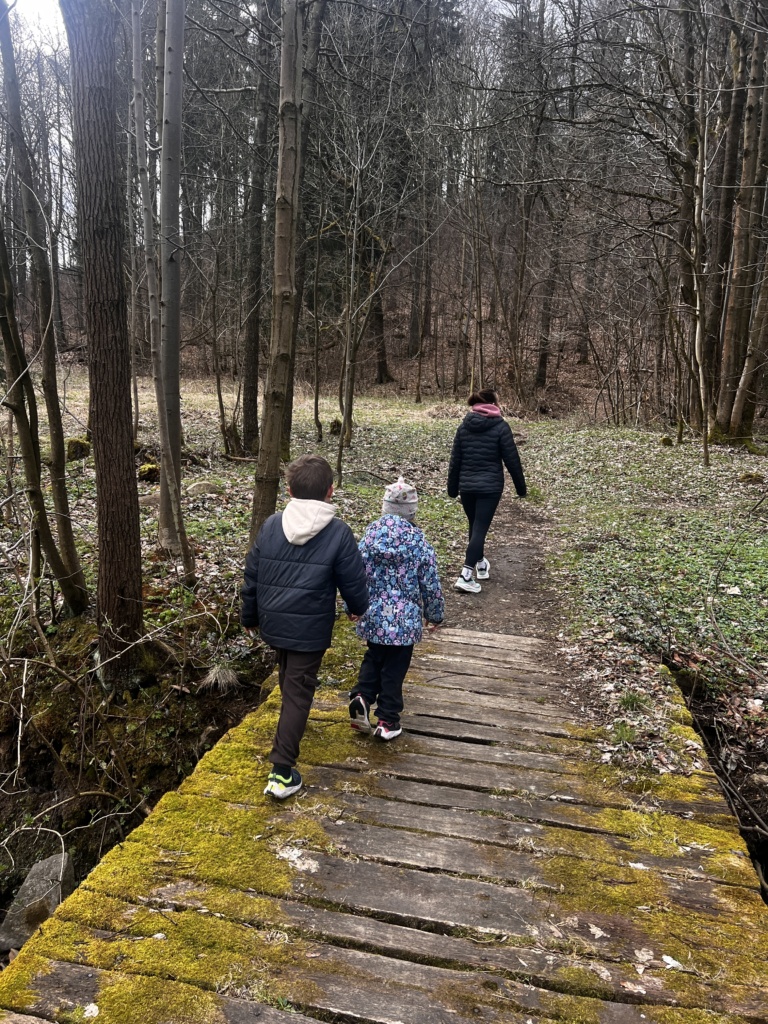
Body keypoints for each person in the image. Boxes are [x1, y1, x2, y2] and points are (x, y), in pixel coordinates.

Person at [241, 454, 369, 799]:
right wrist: (359, 608)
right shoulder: (339, 532)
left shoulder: (271, 525)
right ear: (330, 491)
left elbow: (252, 575)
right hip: (309, 626)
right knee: (298, 691)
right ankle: (282, 772)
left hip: (272, 617)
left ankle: (290, 726)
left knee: (290, 676)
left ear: (288, 489)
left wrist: (249, 615)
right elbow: (353, 579)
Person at [348, 477, 445, 741]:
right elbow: (430, 581)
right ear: (412, 511)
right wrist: (434, 614)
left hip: (374, 614)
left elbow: (354, 574)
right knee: (395, 667)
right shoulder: (418, 541)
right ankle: (388, 720)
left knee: (374, 656)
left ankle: (362, 696)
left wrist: (352, 606)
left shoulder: (368, 537)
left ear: (384, 508)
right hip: (405, 619)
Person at [447, 387, 526, 594]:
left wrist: (453, 488)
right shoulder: (501, 427)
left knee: (475, 526)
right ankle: (465, 575)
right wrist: (521, 488)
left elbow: (455, 460)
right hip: (490, 487)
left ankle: (481, 565)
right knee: (479, 528)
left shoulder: (464, 426)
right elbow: (512, 460)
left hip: (467, 486)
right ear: (493, 404)